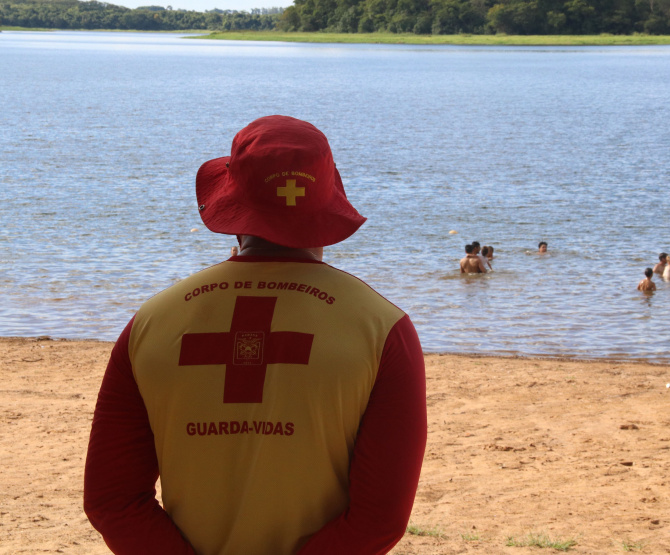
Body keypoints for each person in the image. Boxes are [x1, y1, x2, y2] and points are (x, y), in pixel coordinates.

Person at [84, 116, 427, 555]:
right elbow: (379, 519)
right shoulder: (382, 328)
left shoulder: (151, 323)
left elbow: (112, 500)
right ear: (328, 203)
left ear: (232, 202)